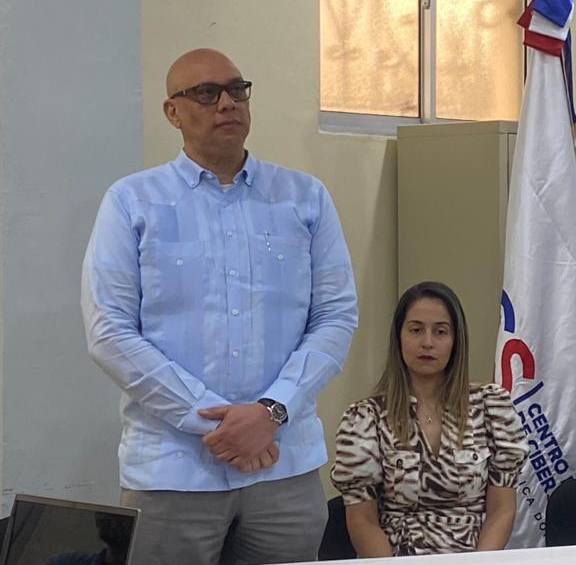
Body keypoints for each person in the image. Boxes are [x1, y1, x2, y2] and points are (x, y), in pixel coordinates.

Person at [81, 48, 358, 565]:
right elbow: (109, 331)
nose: (227, 103)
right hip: (173, 471)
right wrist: (221, 425)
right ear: (172, 112)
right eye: (207, 93)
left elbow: (336, 315)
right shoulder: (132, 201)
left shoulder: (305, 198)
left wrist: (271, 412)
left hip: (284, 467)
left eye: (237, 89)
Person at [332, 281, 527, 556]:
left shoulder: (491, 407)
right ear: (398, 338)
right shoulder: (364, 418)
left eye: (440, 331)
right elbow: (362, 521)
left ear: (455, 340)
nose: (427, 342)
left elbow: (502, 510)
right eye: (415, 330)